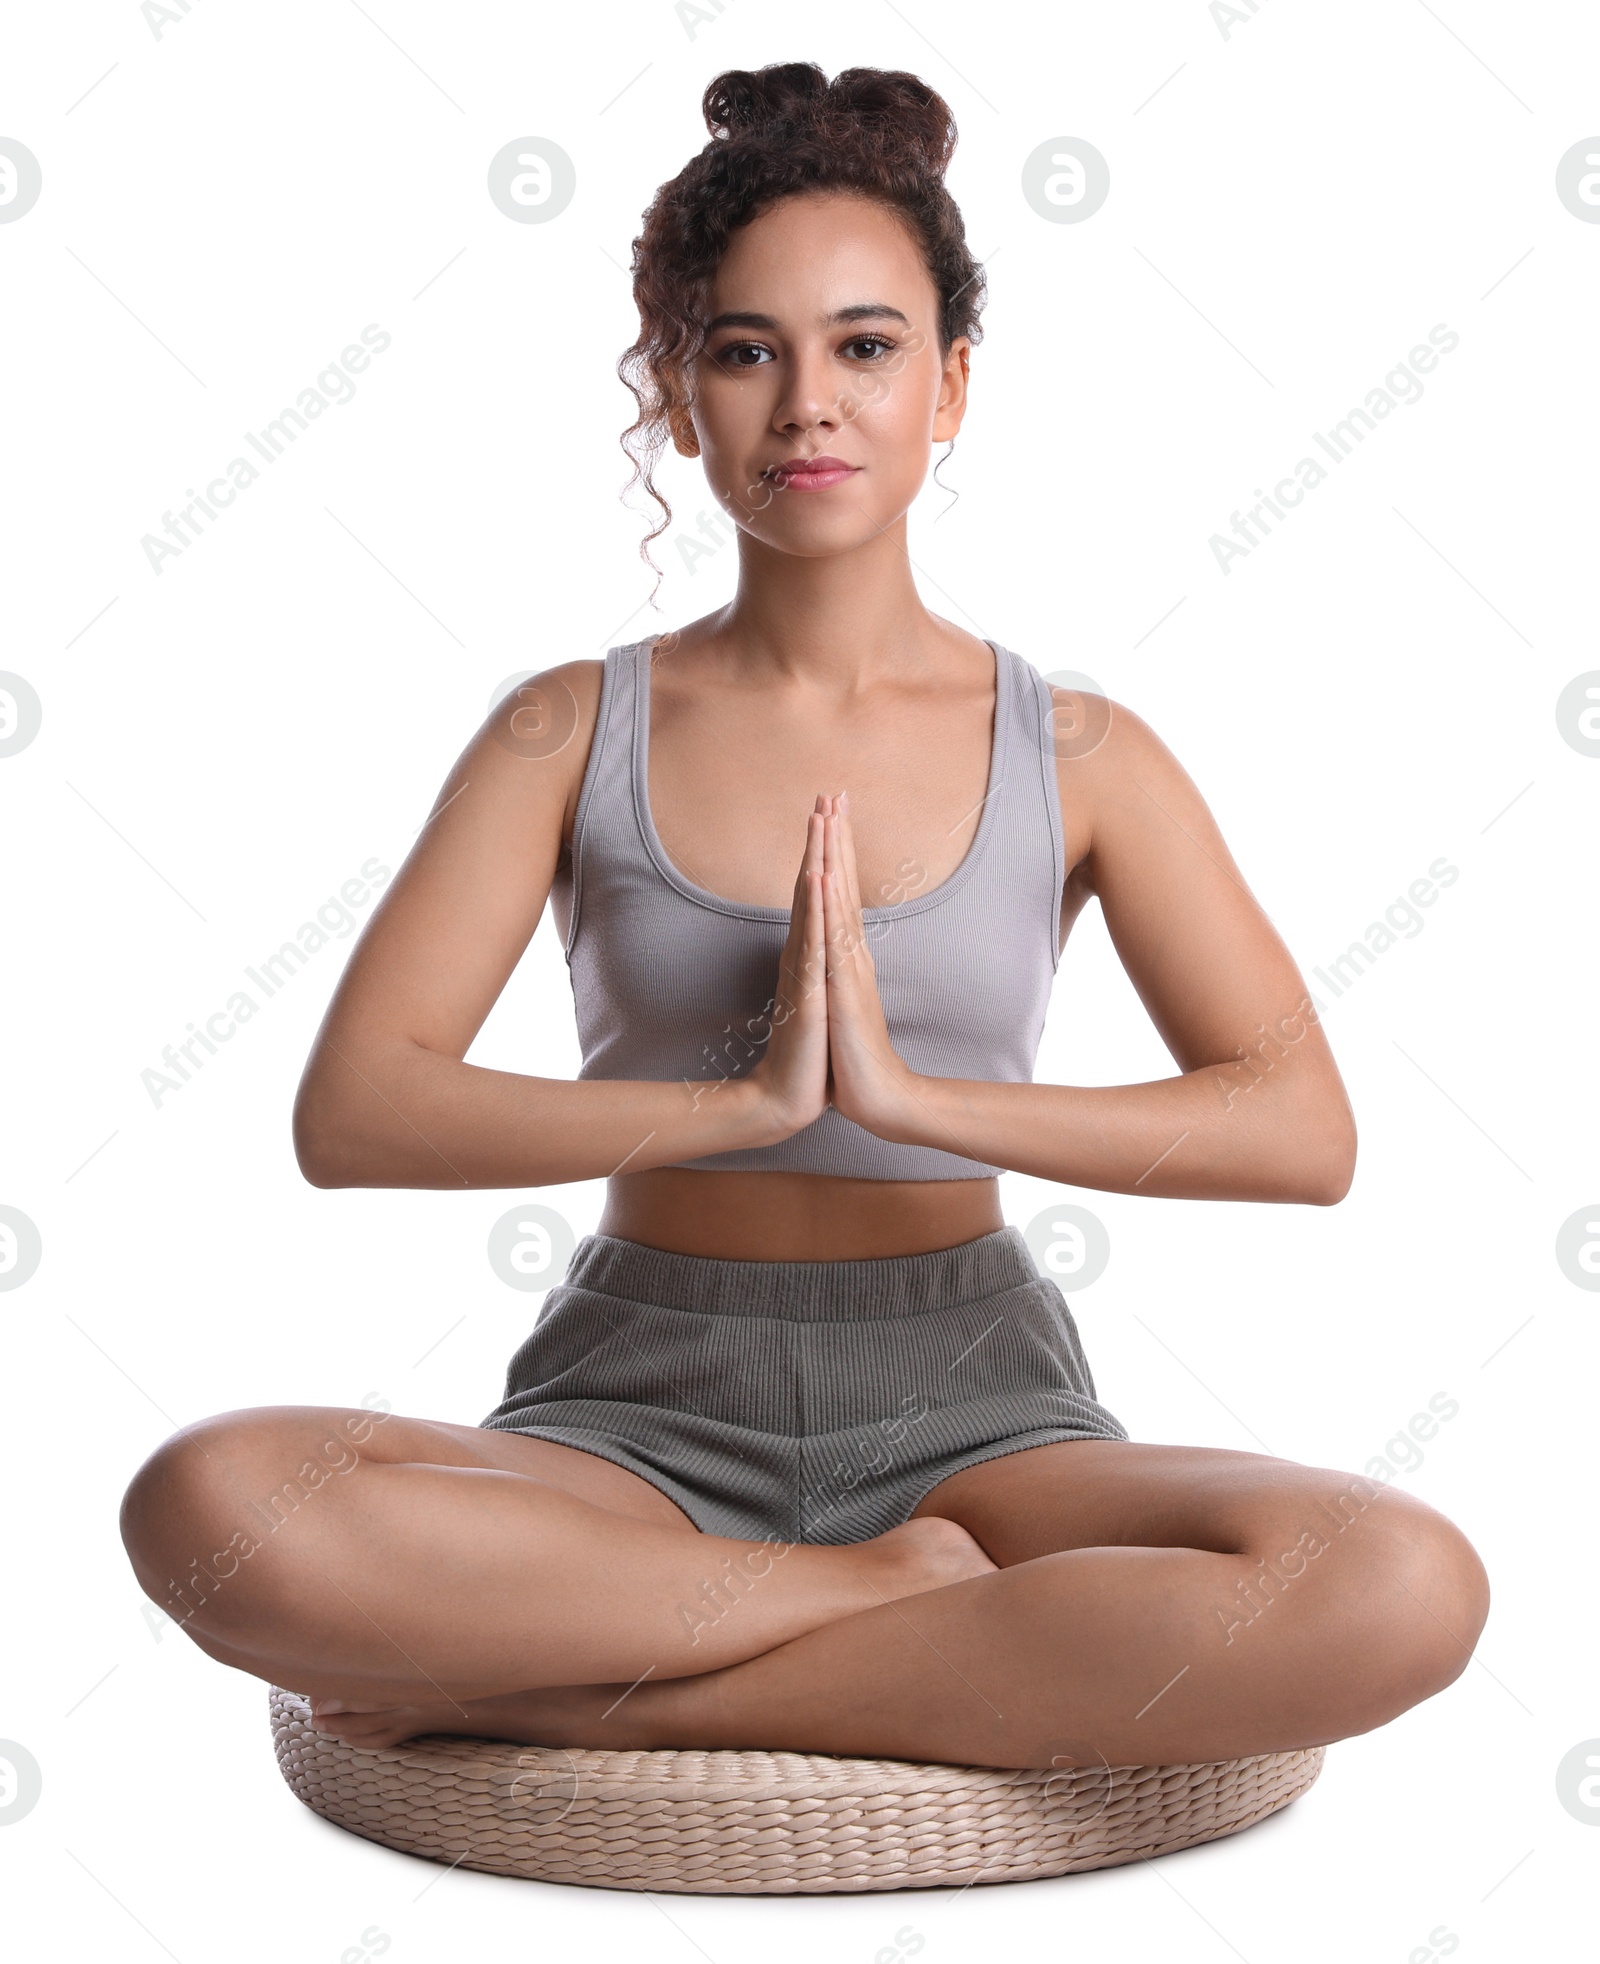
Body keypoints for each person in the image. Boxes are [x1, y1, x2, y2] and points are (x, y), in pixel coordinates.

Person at [119, 62, 1488, 1776]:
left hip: (980, 1410)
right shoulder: (566, 726)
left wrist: (909, 1106)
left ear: (953, 385)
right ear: (679, 397)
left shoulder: (1083, 751)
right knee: (214, 1507)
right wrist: (740, 1108)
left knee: (1398, 1582)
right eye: (747, 350)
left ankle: (563, 1688)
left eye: (866, 346)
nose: (809, 406)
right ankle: (887, 1607)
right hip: (632, 1410)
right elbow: (358, 1112)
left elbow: (1300, 1130)